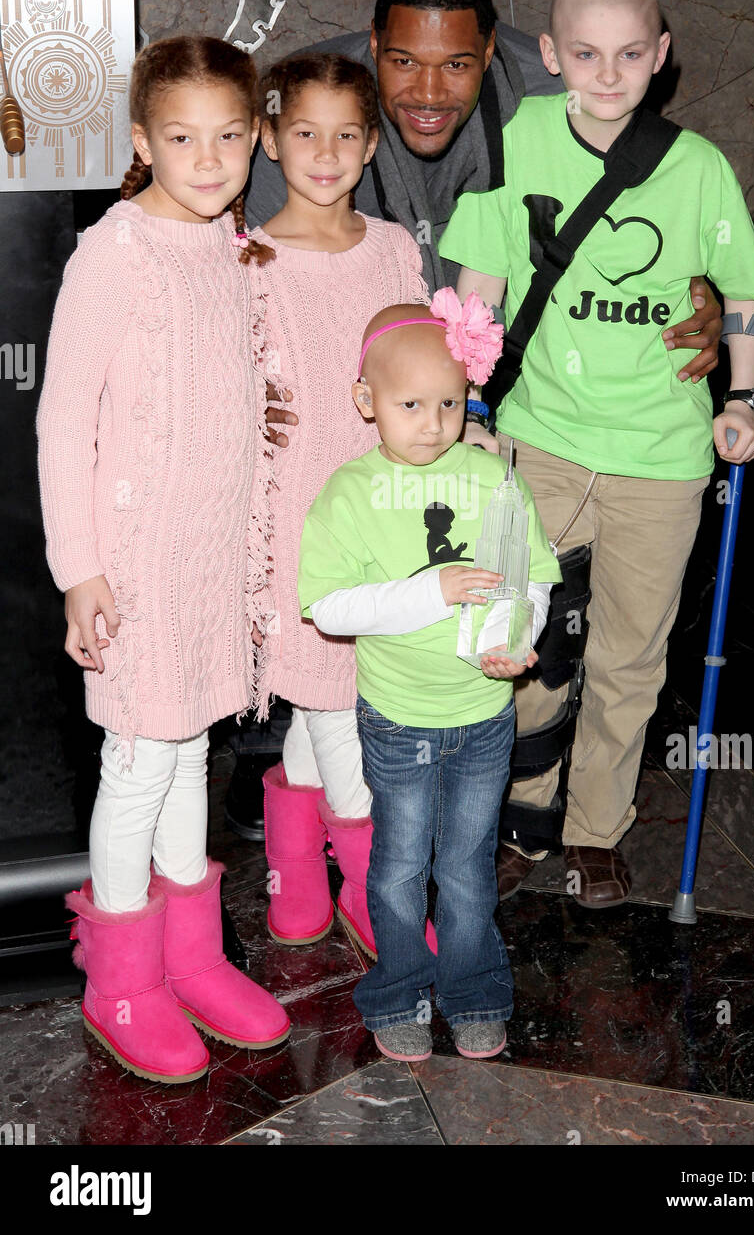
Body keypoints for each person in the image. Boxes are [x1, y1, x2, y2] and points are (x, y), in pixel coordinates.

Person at [229, 0, 723, 843]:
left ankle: (520, 805)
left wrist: (711, 292)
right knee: (333, 647)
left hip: (485, 421)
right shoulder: (314, 115)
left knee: (518, 615)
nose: (426, 90)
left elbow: (667, 201)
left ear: (499, 53)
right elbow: (222, 252)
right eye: (402, 60)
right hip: (336, 428)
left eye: (457, 63)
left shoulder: (558, 90)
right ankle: (342, 829)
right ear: (370, 43)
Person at [439, 0, 754, 906]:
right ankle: (525, 811)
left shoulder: (697, 165)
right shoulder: (511, 142)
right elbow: (481, 287)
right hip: (538, 436)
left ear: (660, 56)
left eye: (630, 54)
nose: (606, 74)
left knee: (631, 652)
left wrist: (744, 402)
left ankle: (595, 829)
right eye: (584, 54)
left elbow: (749, 288)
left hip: (661, 455)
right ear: (549, 55)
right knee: (521, 639)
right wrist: (469, 408)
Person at [36, 36, 291, 1084]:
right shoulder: (115, 251)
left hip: (209, 557)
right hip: (137, 560)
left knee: (193, 752)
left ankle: (189, 956)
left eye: (230, 137)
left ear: (254, 140)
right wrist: (79, 567)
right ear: (143, 142)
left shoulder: (232, 246)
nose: (209, 158)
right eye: (182, 138)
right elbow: (63, 421)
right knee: (140, 763)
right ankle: (122, 978)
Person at [297, 296, 561, 1061]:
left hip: (482, 713)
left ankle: (475, 992)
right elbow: (330, 606)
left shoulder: (490, 478)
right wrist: (433, 590)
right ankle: (399, 991)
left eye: (448, 402)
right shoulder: (348, 493)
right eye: (409, 404)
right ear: (365, 401)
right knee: (399, 868)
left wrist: (515, 642)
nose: (431, 421)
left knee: (470, 868)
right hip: (398, 720)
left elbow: (532, 580)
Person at [251, 51, 436, 959]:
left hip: (383, 504)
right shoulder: (247, 257)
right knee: (332, 698)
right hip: (292, 512)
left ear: (369, 147)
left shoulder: (395, 249)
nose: (325, 153)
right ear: (270, 139)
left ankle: (291, 870)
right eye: (304, 133)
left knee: (340, 690)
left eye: (345, 135)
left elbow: (421, 367)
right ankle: (379, 891)